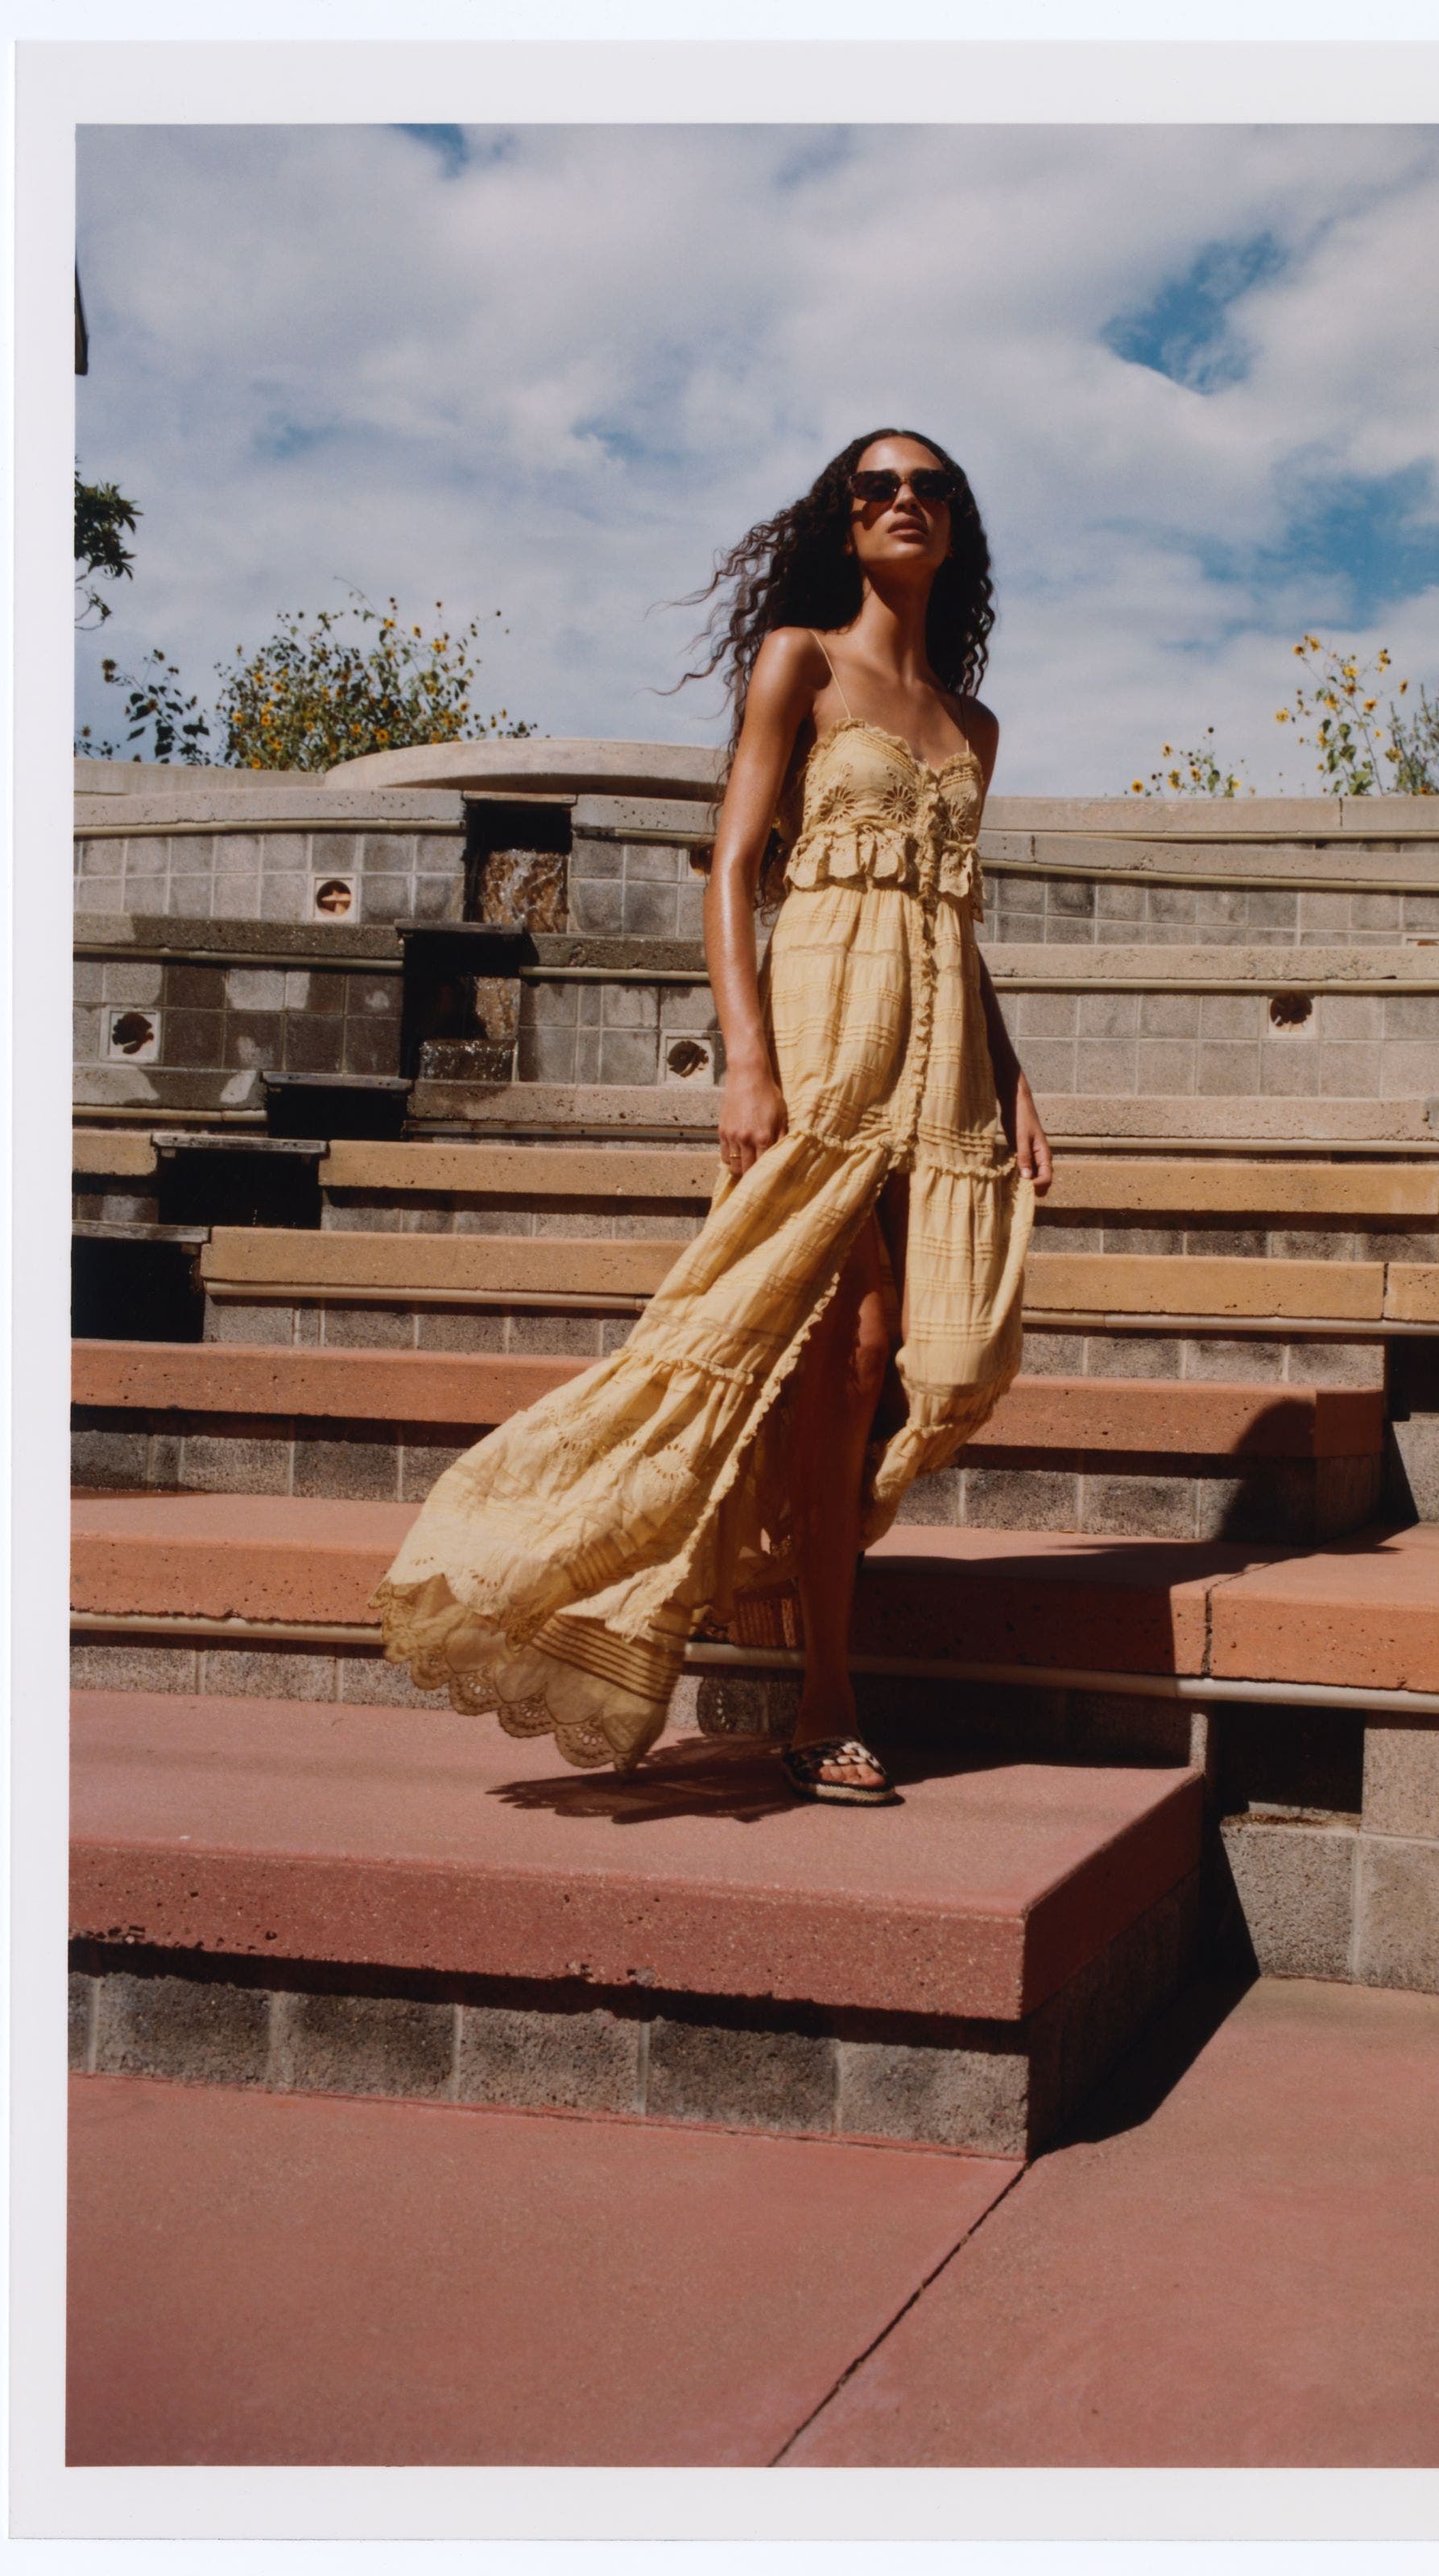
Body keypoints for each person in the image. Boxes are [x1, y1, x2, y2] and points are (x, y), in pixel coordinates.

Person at [372, 428, 1052, 1803]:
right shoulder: (803, 660)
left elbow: (955, 919)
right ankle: (823, 1692)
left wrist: (1018, 1072)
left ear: (956, 528)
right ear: (842, 522)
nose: (903, 503)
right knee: (846, 1347)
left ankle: (784, 1561)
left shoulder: (974, 725)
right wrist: (744, 1058)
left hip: (944, 1049)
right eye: (877, 488)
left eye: (929, 488)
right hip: (821, 1024)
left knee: (957, 1355)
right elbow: (736, 865)